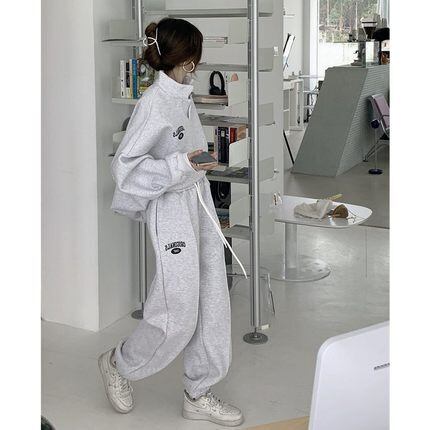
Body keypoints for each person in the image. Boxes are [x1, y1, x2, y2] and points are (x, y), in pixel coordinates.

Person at [98, 18, 245, 427]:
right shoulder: (154, 103)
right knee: (177, 308)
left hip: (198, 200)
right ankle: (118, 363)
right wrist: (180, 166)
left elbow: (184, 152)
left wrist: (194, 164)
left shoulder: (182, 94)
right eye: (196, 54)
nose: (199, 62)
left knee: (212, 297)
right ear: (186, 58)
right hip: (170, 210)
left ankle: (198, 392)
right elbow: (125, 168)